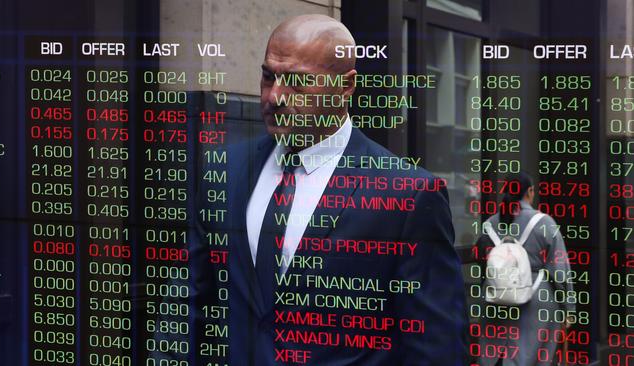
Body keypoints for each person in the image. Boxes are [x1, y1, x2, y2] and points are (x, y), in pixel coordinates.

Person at [195, 14, 468, 365]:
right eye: (268, 76)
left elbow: (435, 347)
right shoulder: (225, 170)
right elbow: (190, 300)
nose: (274, 96)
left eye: (296, 81)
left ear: (346, 85)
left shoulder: (407, 194)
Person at [473, 173, 575, 366]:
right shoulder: (544, 222)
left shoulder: (490, 223)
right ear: (529, 192)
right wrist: (568, 309)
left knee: (497, 356)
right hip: (537, 298)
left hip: (497, 298)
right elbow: (560, 270)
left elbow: (481, 261)